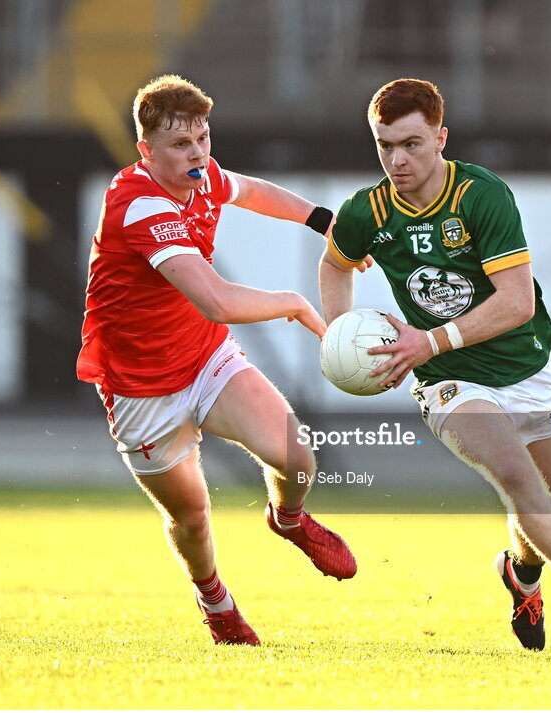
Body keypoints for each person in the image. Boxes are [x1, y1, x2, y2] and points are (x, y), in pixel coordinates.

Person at [318, 78, 551, 649]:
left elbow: (517, 303)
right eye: (384, 145)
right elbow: (335, 264)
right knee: (517, 478)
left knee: (541, 507)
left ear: (441, 137)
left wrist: (428, 338)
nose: (397, 159)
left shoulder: (481, 196)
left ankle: (521, 577)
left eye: (411, 144)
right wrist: (340, 338)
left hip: (526, 368)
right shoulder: (365, 212)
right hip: (450, 379)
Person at [78, 75, 357, 646]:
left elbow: (249, 191)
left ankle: (288, 519)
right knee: (193, 518)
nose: (198, 153)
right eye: (181, 145)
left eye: (203, 138)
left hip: (205, 359)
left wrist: (321, 219)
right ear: (146, 151)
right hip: (141, 390)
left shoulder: (200, 177)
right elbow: (218, 299)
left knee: (297, 457)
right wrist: (293, 302)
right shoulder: (138, 207)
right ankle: (216, 603)